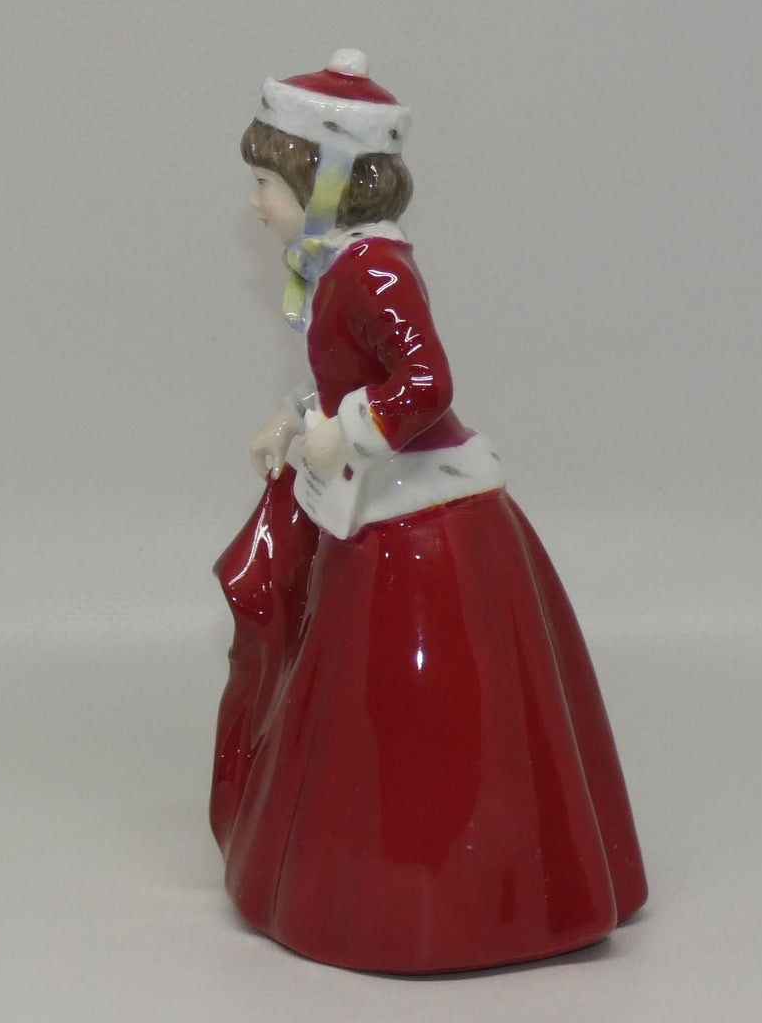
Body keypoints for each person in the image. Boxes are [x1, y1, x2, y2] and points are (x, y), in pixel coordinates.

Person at [210, 50, 647, 974]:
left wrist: (345, 434)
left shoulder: (374, 271)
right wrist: (295, 419)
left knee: (417, 704)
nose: (254, 203)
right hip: (374, 505)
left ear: (326, 182)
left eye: (265, 184)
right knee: (360, 698)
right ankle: (359, 872)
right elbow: (349, 370)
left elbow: (424, 382)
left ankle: (446, 891)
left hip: (423, 518)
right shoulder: (336, 266)